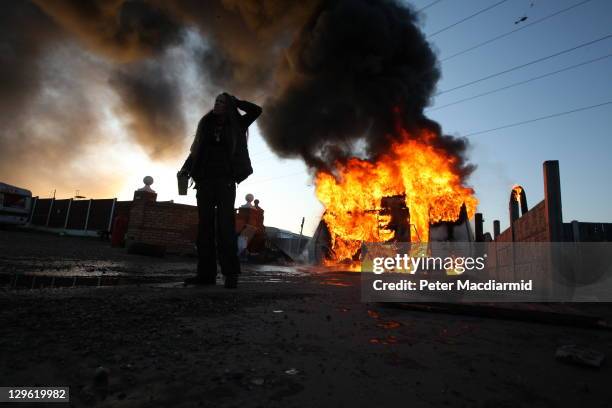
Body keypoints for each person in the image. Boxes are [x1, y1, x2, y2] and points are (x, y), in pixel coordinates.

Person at [179, 93, 262, 288]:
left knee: (225, 227)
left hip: (225, 182)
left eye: (222, 102)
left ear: (229, 105)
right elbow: (195, 151)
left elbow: (257, 111)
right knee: (204, 228)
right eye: (216, 101)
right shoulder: (205, 125)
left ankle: (230, 274)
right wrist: (185, 169)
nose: (217, 104)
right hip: (205, 182)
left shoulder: (237, 124)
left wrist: (237, 102)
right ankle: (205, 275)